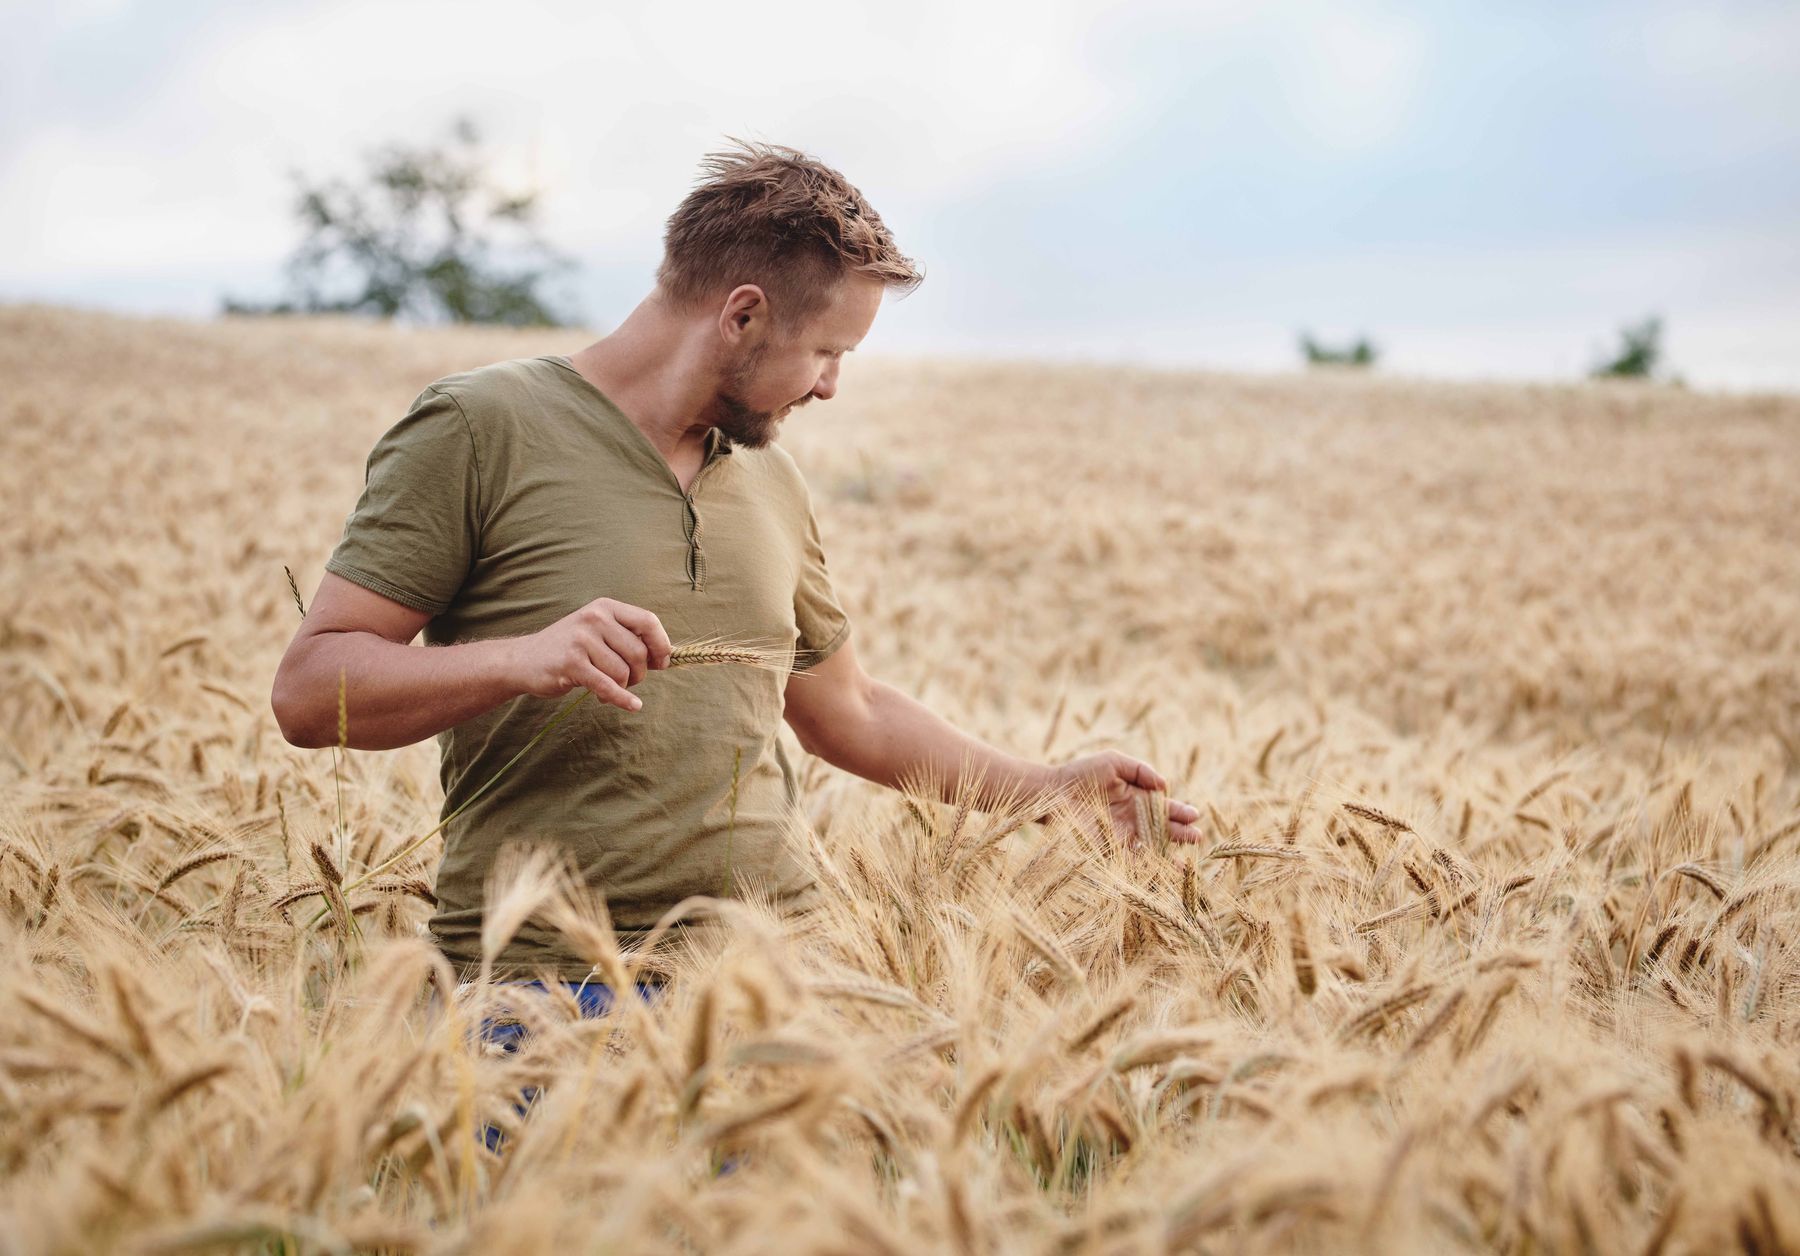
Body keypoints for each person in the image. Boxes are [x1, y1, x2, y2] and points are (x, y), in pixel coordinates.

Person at [270, 139, 1202, 989]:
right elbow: (310, 693)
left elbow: (853, 712)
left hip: (771, 980)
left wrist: (1047, 790)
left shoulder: (773, 476)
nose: (833, 384)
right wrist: (522, 658)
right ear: (744, 316)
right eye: (828, 351)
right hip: (540, 988)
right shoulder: (480, 429)